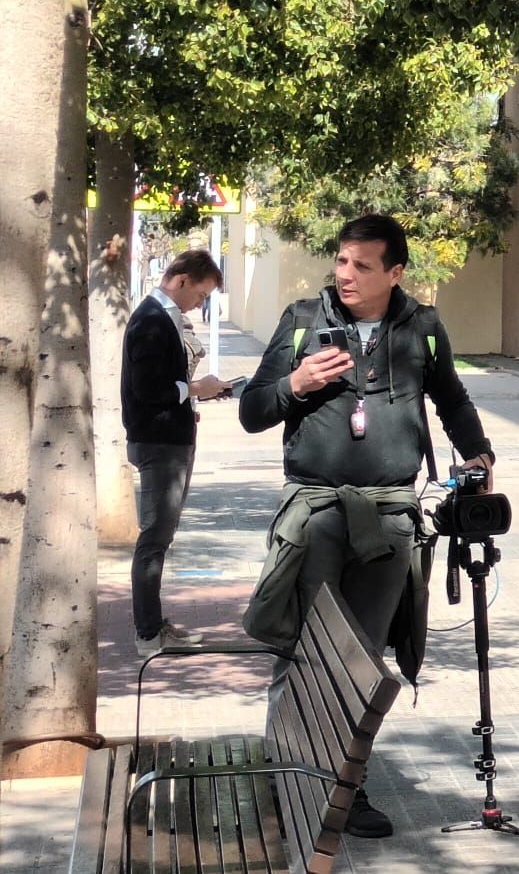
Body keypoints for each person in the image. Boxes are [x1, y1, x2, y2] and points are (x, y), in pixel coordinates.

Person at [237, 214, 495, 838]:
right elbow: (252, 411)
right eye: (341, 261)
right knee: (300, 652)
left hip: (389, 518)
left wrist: (479, 453)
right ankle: (288, 781)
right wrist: (295, 384)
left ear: (395, 272)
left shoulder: (422, 329)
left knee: (363, 660)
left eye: (362, 265)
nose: (345, 274)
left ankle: (347, 790)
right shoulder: (302, 321)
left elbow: (452, 398)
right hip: (315, 516)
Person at [123, 249, 228, 657]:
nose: (199, 305)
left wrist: (194, 394)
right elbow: (147, 391)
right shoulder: (151, 318)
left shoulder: (161, 316)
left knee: (160, 539)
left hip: (172, 438)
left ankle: (154, 626)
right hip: (159, 443)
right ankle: (148, 634)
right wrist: (194, 389)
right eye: (200, 296)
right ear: (182, 280)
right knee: (154, 539)